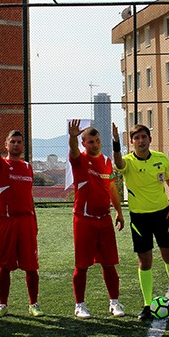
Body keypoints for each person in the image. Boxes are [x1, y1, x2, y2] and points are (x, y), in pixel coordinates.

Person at [114, 122, 169, 321]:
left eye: (144, 137)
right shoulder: (128, 162)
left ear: (150, 139)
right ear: (131, 142)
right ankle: (147, 305)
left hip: (162, 215)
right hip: (139, 218)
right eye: (136, 138)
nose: (141, 141)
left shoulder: (161, 159)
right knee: (145, 261)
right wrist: (115, 143)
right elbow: (119, 164)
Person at [0, 108, 42, 317]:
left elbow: (29, 197)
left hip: (26, 221)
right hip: (6, 221)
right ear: (6, 145)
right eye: (13, 142)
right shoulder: (0, 165)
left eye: (19, 142)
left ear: (23, 145)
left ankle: (33, 304)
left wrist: (34, 222)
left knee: (31, 265)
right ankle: (3, 304)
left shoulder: (27, 167)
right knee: (5, 265)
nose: (16, 144)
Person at [67, 120, 124, 318]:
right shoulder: (79, 159)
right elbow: (73, 150)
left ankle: (114, 302)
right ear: (84, 144)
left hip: (105, 220)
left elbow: (111, 188)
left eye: (97, 141)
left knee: (109, 264)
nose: (95, 144)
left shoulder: (107, 161)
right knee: (82, 265)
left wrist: (119, 211)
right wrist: (73, 137)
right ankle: (80, 305)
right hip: (83, 219)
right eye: (90, 141)